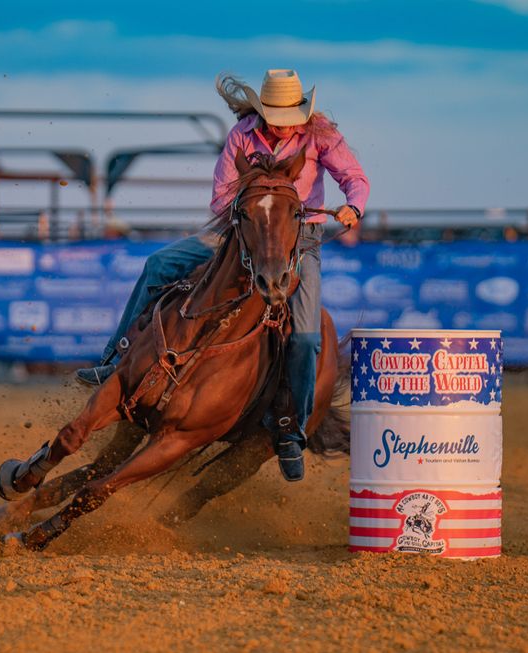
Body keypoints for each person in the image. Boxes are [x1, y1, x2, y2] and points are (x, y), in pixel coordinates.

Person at [76, 69, 370, 481]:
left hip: (298, 239)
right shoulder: (242, 135)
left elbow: (354, 179)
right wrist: (255, 212)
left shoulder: (321, 137)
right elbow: (220, 196)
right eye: (275, 117)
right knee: (159, 265)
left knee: (306, 336)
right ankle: (115, 358)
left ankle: (291, 428)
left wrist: (353, 206)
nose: (282, 125)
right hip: (243, 232)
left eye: (289, 118)